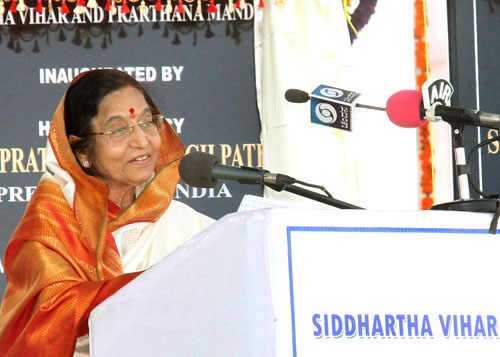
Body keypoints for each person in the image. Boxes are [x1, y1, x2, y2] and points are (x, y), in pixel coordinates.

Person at [0, 69, 214, 356]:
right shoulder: (49, 228)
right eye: (118, 129)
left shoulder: (182, 221)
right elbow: (52, 320)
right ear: (82, 151)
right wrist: (166, 282)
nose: (141, 141)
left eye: (147, 122)